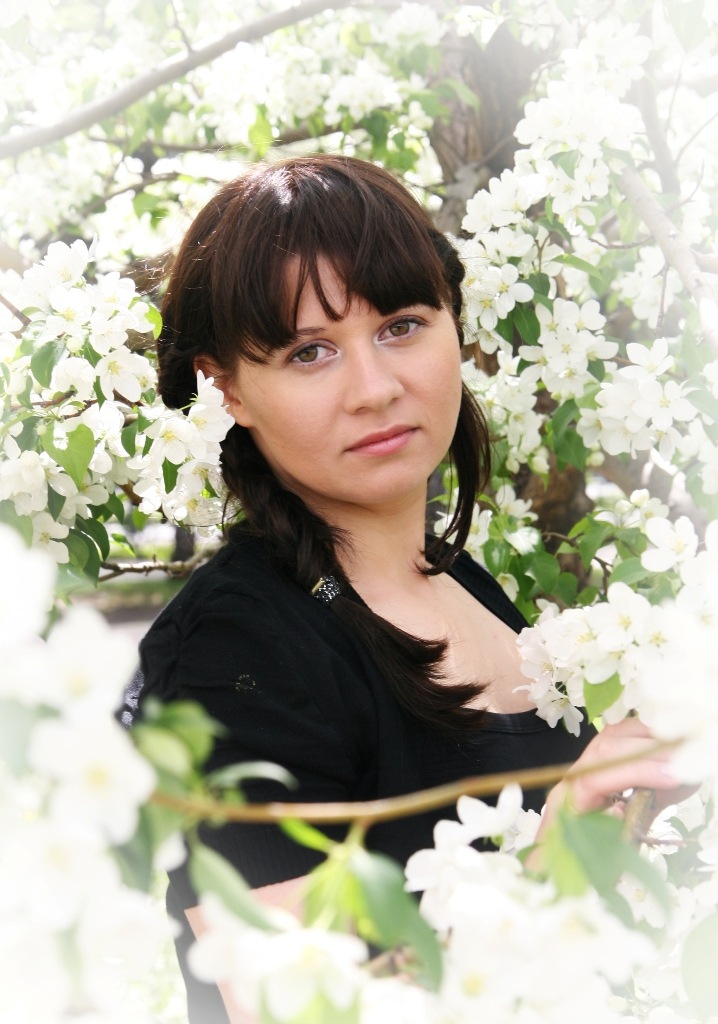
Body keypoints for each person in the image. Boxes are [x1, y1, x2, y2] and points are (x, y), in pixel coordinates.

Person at [130, 155, 681, 1023]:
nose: (376, 388)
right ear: (227, 385)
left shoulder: (460, 580)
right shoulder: (237, 651)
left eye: (401, 326)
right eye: (310, 351)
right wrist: (562, 844)